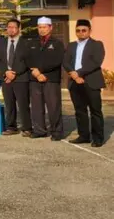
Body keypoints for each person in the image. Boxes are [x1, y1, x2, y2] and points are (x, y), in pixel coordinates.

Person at [63, 19, 106, 147]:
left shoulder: (97, 44)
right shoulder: (71, 45)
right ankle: (84, 136)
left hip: (91, 81)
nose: (81, 33)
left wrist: (79, 73)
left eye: (84, 30)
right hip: (74, 82)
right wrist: (73, 74)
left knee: (95, 111)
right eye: (78, 30)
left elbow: (95, 62)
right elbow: (65, 62)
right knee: (80, 111)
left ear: (89, 31)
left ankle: (98, 138)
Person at [27, 17, 65, 140]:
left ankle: (56, 132)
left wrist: (42, 72)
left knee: (54, 107)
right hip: (35, 79)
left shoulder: (57, 43)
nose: (42, 30)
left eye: (44, 27)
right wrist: (37, 74)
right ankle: (39, 130)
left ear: (50, 28)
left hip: (51, 79)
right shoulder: (32, 42)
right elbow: (27, 59)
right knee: (37, 107)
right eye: (40, 27)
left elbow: (57, 60)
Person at [0, 19, 31, 136]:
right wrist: (6, 72)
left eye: (13, 27)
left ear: (19, 29)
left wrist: (13, 73)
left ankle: (27, 128)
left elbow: (26, 61)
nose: (11, 29)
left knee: (23, 104)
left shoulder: (25, 42)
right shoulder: (2, 42)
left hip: (21, 78)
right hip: (5, 78)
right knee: (9, 104)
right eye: (9, 27)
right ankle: (11, 127)